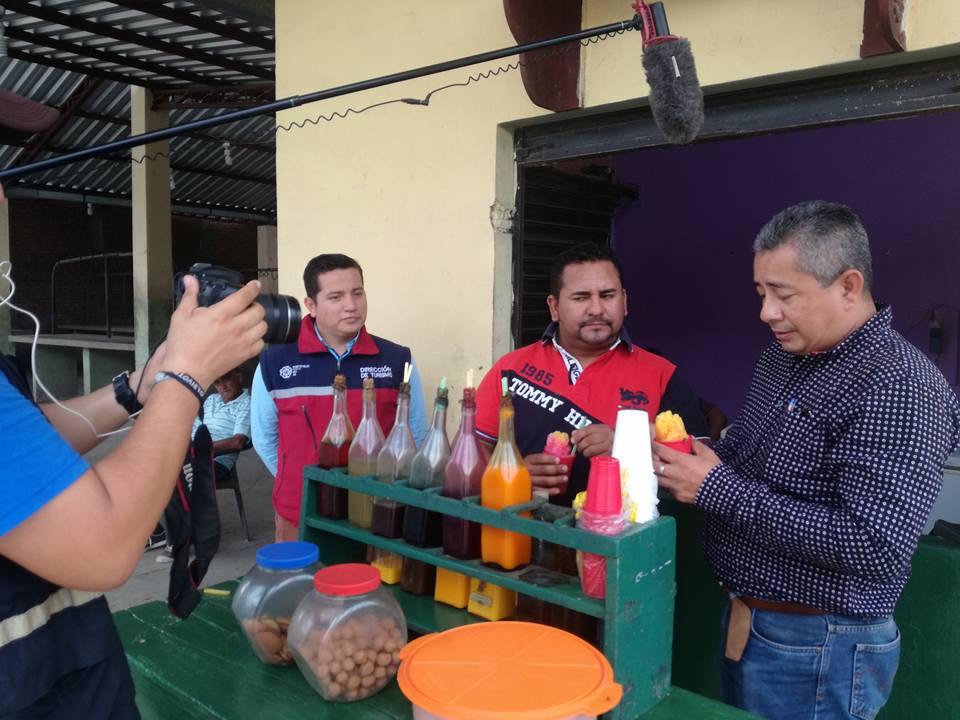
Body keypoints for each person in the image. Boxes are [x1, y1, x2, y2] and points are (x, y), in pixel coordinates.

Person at [654, 200, 960, 720]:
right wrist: (694, 456)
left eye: (784, 294)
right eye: (761, 292)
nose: (766, 312)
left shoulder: (900, 386)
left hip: (822, 644)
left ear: (848, 286)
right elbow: (747, 446)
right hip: (749, 618)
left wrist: (715, 489)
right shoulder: (783, 356)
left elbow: (874, 545)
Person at [0, 182, 266, 717]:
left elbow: (26, 445)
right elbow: (102, 547)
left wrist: (140, 387)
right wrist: (187, 377)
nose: (4, 196)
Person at [475, 242, 707, 504]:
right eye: (581, 297)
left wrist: (625, 445)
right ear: (554, 307)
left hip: (625, 529)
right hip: (519, 526)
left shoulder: (663, 376)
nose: (596, 309)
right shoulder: (510, 370)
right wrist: (512, 476)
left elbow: (698, 471)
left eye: (607, 295)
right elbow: (472, 455)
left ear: (624, 301)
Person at [251, 253, 427, 542]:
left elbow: (416, 434)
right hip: (299, 514)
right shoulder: (275, 363)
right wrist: (303, 484)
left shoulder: (398, 360)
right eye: (336, 297)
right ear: (311, 305)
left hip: (378, 514)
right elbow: (264, 439)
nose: (351, 305)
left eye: (357, 293)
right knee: (301, 573)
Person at [155, 367, 252, 562]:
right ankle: (157, 533)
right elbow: (195, 430)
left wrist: (196, 448)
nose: (222, 386)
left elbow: (237, 442)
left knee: (174, 478)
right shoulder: (211, 400)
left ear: (239, 376)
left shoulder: (247, 403)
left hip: (217, 461)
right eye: (217, 382)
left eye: (226, 379)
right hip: (192, 454)